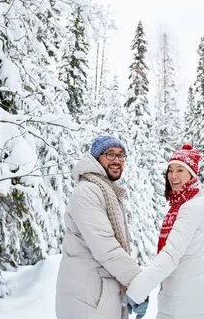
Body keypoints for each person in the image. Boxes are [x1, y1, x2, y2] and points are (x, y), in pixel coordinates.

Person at [55, 135, 147, 319]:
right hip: (87, 299)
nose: (117, 161)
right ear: (97, 158)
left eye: (121, 156)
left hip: (97, 295)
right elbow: (105, 246)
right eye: (110, 154)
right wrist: (138, 282)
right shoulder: (88, 191)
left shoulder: (104, 190)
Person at [124, 144, 204, 319]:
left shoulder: (191, 207)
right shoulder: (182, 205)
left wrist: (137, 290)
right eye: (170, 170)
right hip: (185, 294)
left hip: (189, 301)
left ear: (192, 174)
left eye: (180, 170)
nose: (173, 176)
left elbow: (170, 254)